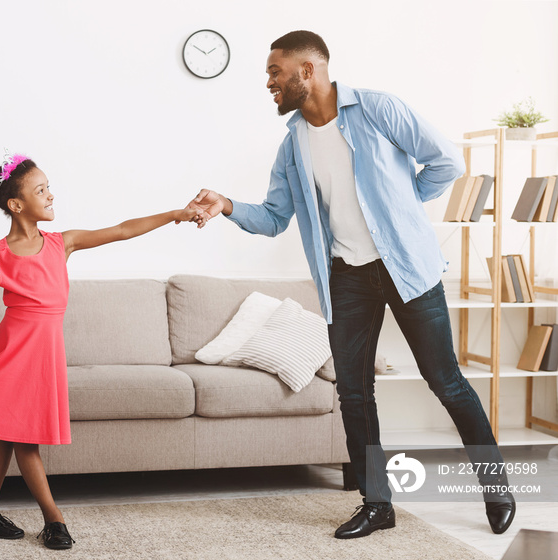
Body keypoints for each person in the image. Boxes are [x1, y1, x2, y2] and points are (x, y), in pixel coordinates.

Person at [186, 30, 516, 539]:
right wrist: (228, 206)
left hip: (407, 266)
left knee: (446, 381)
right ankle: (377, 502)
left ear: (307, 70)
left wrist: (403, 210)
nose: (269, 83)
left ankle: (496, 486)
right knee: (355, 394)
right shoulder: (293, 144)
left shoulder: (379, 109)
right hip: (348, 276)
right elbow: (275, 217)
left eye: (275, 72)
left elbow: (447, 160)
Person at [0, 152, 199, 550]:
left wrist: (175, 215)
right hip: (12, 355)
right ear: (16, 204)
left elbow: (123, 230)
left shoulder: (63, 244)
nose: (50, 194)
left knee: (5, 438)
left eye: (48, 187)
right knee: (22, 439)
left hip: (43, 357)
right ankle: (54, 519)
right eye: (40, 189)